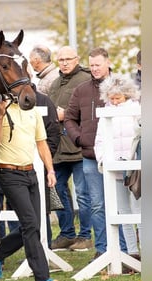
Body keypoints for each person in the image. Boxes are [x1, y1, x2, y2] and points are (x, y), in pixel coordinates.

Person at [0, 86, 60, 274]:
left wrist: (50, 170)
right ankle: (42, 277)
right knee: (30, 224)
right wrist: (1, 115)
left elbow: (41, 143)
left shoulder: (33, 111)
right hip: (9, 174)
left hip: (31, 173)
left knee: (35, 224)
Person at [64, 47, 127, 261]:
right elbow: (70, 118)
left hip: (119, 156)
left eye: (98, 64)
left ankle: (126, 250)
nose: (94, 69)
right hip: (91, 156)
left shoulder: (122, 86)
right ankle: (102, 250)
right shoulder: (81, 90)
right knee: (97, 204)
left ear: (107, 63)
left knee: (120, 204)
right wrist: (79, 139)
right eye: (91, 65)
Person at [47, 46, 93, 251]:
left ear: (77, 59)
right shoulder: (55, 83)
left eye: (68, 59)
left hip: (78, 146)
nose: (64, 63)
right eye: (61, 59)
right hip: (58, 149)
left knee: (83, 193)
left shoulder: (85, 79)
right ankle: (67, 234)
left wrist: (68, 115)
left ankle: (85, 235)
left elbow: (92, 112)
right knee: (56, 190)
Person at [94, 73, 141, 261]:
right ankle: (132, 253)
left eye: (118, 98)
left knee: (139, 210)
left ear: (126, 95)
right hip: (114, 168)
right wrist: (104, 160)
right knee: (122, 211)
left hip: (135, 169)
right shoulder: (105, 113)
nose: (114, 101)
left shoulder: (137, 110)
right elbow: (100, 140)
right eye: (111, 98)